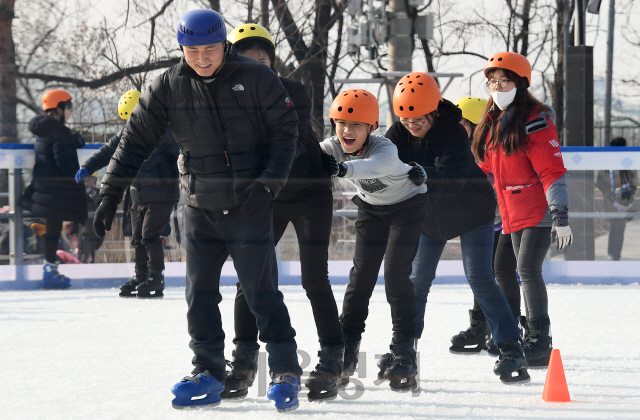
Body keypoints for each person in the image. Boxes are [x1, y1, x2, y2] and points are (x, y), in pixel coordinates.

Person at [91, 9, 302, 412]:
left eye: (209, 49)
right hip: (200, 205)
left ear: (223, 44)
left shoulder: (258, 78)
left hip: (248, 204)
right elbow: (134, 142)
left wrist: (269, 182)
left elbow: (285, 134)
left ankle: (285, 370)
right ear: (182, 48)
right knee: (199, 294)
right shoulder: (168, 87)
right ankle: (208, 370)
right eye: (192, 50)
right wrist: (109, 193)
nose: (202, 58)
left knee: (260, 293)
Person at [385, 72, 529, 384]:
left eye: (418, 119)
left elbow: (451, 179)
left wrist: (419, 173)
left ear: (433, 110)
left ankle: (510, 346)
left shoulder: (453, 133)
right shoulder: (397, 132)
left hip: (471, 212)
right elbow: (381, 163)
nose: (412, 124)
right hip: (428, 219)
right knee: (416, 281)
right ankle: (404, 349)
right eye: (406, 118)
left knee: (478, 276)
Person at [224, 24, 342, 401]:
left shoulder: (292, 90)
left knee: (313, 279)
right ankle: (242, 362)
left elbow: (283, 140)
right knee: (249, 278)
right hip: (267, 197)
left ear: (272, 62)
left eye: (261, 59)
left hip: (310, 192)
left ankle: (332, 360)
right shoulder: (228, 96)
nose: (254, 65)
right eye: (245, 59)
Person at [320, 89, 428, 391]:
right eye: (341, 123)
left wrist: (343, 168)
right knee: (360, 278)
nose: (347, 130)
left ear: (372, 128)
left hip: (408, 205)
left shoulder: (385, 148)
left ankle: (404, 350)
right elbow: (307, 157)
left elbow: (374, 167)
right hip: (371, 208)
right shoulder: (332, 147)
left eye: (356, 125)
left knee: (395, 272)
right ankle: (347, 350)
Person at [470, 52, 573, 368]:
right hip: (510, 213)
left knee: (527, 269)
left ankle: (539, 340)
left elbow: (552, 171)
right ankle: (510, 334)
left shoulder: (535, 121)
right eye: (492, 82)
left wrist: (561, 217)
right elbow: (488, 167)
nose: (497, 87)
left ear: (521, 83)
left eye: (504, 81)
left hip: (537, 210)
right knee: (501, 269)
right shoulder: (495, 122)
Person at [76, 89, 180, 298]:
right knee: (137, 237)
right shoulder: (126, 135)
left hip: (161, 193)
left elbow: (180, 154)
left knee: (150, 236)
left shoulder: (164, 132)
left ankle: (156, 278)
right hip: (137, 194)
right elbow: (107, 152)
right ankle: (141, 276)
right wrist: (88, 167)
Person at [448, 96, 521, 355]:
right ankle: (480, 327)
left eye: (461, 124)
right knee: (481, 274)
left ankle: (513, 328)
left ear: (476, 124)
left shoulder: (492, 148)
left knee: (502, 272)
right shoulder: (460, 150)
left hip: (506, 220)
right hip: (482, 222)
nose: (455, 129)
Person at [21, 89, 87, 289]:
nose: (69, 112)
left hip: (44, 189)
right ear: (59, 109)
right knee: (55, 229)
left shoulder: (47, 130)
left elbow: (60, 145)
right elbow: (64, 162)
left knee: (53, 230)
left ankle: (50, 270)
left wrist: (73, 139)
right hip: (55, 191)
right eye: (68, 108)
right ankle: (50, 271)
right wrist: (78, 177)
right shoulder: (58, 132)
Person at [596, 137, 637, 261]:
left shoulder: (626, 161)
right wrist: (612, 195)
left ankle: (614, 255)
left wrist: (630, 192)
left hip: (621, 201)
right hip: (613, 202)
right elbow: (600, 182)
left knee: (618, 229)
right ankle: (613, 254)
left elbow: (633, 180)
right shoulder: (610, 162)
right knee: (615, 229)